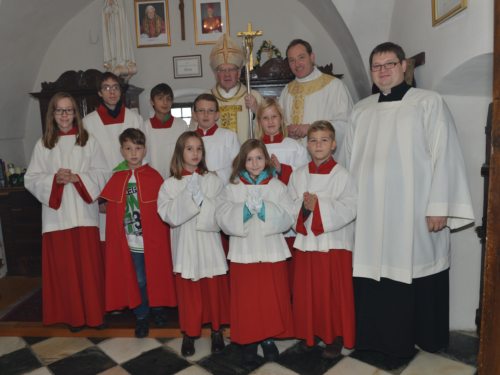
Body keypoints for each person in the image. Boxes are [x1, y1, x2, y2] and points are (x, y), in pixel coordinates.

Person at [342, 42, 475, 365]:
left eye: (390, 64)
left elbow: (446, 154)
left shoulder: (428, 102)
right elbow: (346, 162)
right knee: (373, 269)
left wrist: (439, 205)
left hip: (414, 210)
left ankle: (422, 337)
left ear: (404, 66)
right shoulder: (361, 110)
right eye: (376, 66)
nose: (383, 70)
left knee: (414, 265)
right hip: (369, 211)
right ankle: (375, 340)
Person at [25, 92, 108, 331]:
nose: (64, 115)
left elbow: (103, 173)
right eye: (60, 110)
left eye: (69, 110)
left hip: (83, 213)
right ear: (52, 114)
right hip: (57, 216)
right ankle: (75, 317)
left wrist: (78, 178)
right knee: (67, 270)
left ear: (75, 113)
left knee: (89, 268)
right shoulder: (43, 144)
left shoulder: (88, 141)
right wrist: (55, 180)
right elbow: (31, 179)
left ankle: (94, 315)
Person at [216, 139, 294, 364]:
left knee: (270, 298)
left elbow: (289, 216)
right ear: (242, 162)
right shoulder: (232, 187)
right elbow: (221, 215)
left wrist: (264, 210)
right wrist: (245, 211)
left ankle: (268, 339)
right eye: (249, 159)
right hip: (244, 253)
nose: (254, 163)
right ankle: (249, 339)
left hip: (271, 253)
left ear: (267, 159)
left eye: (259, 158)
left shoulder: (277, 186)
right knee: (247, 300)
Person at [288, 120, 356, 358]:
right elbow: (289, 207)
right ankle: (310, 332)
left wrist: (319, 206)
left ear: (334, 144)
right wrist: (304, 209)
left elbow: (350, 208)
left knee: (332, 293)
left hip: (334, 244)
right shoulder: (298, 175)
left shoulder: (343, 175)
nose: (318, 145)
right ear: (307, 145)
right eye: (314, 140)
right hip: (307, 244)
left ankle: (334, 336)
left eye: (324, 140)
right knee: (308, 292)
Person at [157, 131, 229, 357]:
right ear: (180, 152)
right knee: (189, 293)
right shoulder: (169, 184)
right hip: (185, 243)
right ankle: (189, 333)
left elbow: (221, 211)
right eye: (189, 148)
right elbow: (167, 214)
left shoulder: (213, 180)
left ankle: (217, 331)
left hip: (208, 242)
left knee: (212, 289)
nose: (195, 153)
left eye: (199, 149)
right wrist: (189, 199)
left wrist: (202, 202)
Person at [100, 128, 177, 338]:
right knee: (140, 279)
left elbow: (163, 209)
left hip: (152, 240)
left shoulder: (154, 176)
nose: (133, 153)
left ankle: (159, 309)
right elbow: (108, 209)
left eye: (138, 148)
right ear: (122, 151)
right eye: (128, 148)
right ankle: (142, 316)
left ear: (144, 150)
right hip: (130, 240)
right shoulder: (117, 178)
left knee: (157, 275)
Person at [83, 72, 143, 241]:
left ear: (121, 91)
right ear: (99, 93)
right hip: (104, 192)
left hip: (131, 189)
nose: (112, 92)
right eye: (106, 88)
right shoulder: (88, 123)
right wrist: (100, 198)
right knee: (110, 242)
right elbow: (87, 163)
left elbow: (144, 156)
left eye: (115, 87)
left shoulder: (134, 119)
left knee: (133, 239)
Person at [256, 98, 309, 287]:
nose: (270, 122)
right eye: (265, 118)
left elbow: (304, 177)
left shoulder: (294, 146)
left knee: (290, 269)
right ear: (259, 121)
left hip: (288, 210)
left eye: (274, 117)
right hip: (263, 209)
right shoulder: (254, 146)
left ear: (281, 119)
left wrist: (282, 170)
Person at [279, 39, 353, 149]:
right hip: (293, 160)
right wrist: (286, 130)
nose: (297, 64)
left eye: (301, 57)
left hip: (322, 158)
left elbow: (346, 125)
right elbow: (278, 124)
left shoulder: (334, 86)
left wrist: (312, 128)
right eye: (292, 60)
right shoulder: (287, 91)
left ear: (312, 57)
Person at [206, 33, 263, 144]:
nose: (227, 75)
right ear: (216, 74)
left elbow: (269, 129)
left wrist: (256, 110)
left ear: (238, 73)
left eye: (231, 69)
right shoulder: (206, 99)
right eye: (222, 70)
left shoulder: (253, 96)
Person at [192, 93, 240, 184]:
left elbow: (238, 166)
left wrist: (216, 175)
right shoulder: (188, 139)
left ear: (217, 115)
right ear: (194, 115)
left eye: (210, 110)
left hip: (223, 188)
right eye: (201, 110)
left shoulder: (230, 136)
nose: (206, 115)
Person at [143, 83, 188, 179]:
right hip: (152, 177)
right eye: (160, 98)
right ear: (152, 102)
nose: (165, 102)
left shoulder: (181, 125)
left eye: (168, 99)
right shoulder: (145, 126)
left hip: (178, 177)